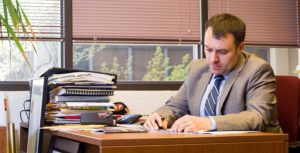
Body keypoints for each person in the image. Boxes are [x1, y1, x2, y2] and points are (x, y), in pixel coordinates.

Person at [143, 13, 282, 133]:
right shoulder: (197, 68)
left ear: (240, 48)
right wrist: (160, 117)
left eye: (222, 52)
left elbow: (258, 117)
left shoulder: (257, 70)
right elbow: (175, 107)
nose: (212, 59)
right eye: (208, 49)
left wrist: (209, 123)